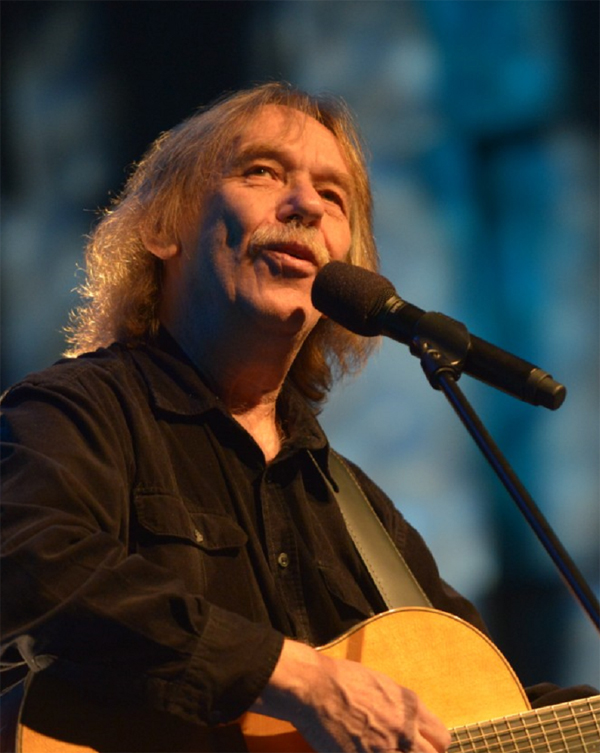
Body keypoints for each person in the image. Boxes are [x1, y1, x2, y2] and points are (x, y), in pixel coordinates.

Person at [1, 83, 595, 753]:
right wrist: (293, 678)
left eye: (333, 195)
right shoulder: (76, 413)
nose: (306, 205)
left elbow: (485, 709)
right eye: (262, 171)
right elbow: (31, 564)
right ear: (163, 228)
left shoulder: (361, 515)